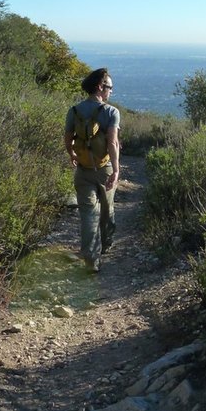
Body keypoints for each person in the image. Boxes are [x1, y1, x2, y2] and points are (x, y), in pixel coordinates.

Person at [63, 68, 120, 273]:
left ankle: (91, 259)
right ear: (100, 87)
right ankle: (105, 244)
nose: (111, 92)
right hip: (104, 169)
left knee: (88, 214)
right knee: (106, 211)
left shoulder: (74, 111)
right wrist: (116, 170)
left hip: (83, 170)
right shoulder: (111, 112)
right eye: (109, 87)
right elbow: (112, 143)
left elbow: (68, 139)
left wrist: (73, 155)